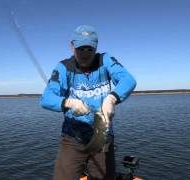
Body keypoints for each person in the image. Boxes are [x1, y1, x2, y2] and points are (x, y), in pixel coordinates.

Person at [41, 25, 136, 180]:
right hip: (73, 137)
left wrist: (111, 99)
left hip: (102, 136)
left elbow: (128, 80)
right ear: (72, 46)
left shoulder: (105, 60)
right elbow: (46, 98)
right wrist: (69, 103)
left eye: (89, 49)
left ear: (96, 47)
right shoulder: (64, 67)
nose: (85, 54)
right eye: (81, 48)